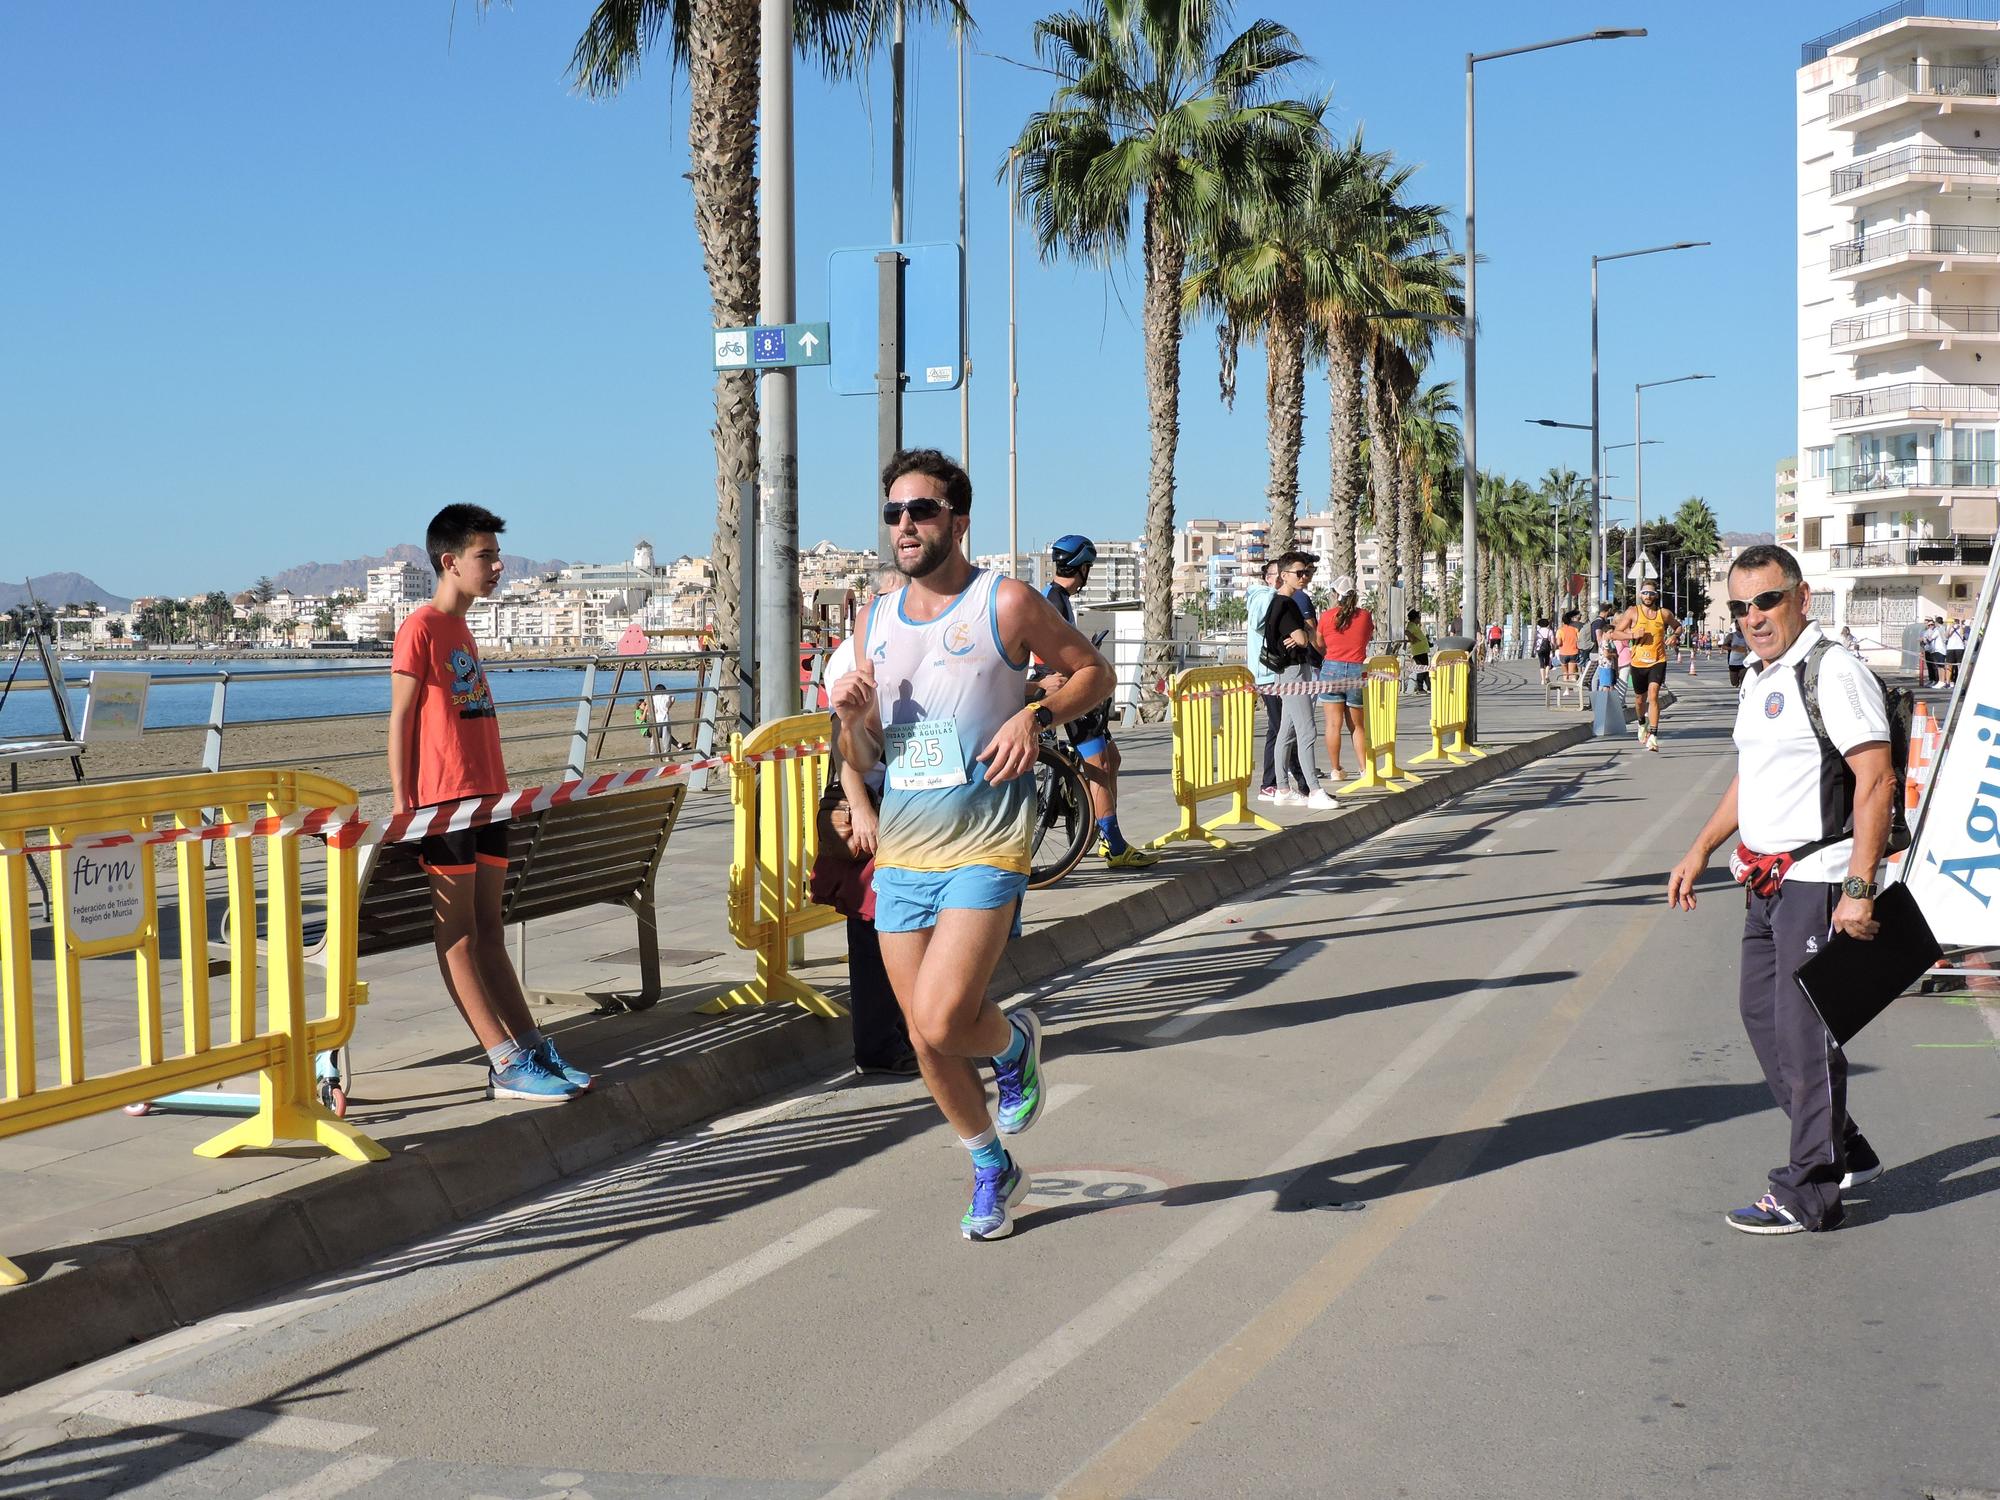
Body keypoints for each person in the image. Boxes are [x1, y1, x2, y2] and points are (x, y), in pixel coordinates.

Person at [830, 448, 1112, 1241]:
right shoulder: (873, 621)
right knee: (923, 1032)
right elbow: (866, 756)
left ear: (958, 519)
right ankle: (991, 1164)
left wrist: (1035, 716)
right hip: (907, 846)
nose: (905, 526)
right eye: (893, 513)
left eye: (920, 510)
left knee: (949, 1013)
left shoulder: (1006, 601)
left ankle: (1015, 1039)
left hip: (988, 837)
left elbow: (1092, 673)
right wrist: (854, 721)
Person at [1667, 544, 1891, 1235]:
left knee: (1804, 1037)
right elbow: (1752, 778)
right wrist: (1701, 845)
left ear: (1801, 597)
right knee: (1762, 1021)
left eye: (1766, 601)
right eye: (1740, 607)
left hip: (1817, 884)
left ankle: (1809, 1189)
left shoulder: (1833, 670)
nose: (1752, 617)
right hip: (1766, 884)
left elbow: (1875, 778)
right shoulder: (1763, 675)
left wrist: (1859, 887)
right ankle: (1839, 1143)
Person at [389, 504, 588, 1103]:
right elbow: (399, 721)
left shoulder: (464, 629)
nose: (498, 566)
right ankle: (503, 1061)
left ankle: (529, 1047)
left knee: (491, 933)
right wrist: (405, 808)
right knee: (458, 937)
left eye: (496, 555)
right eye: (486, 556)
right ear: (450, 562)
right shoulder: (419, 629)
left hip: (489, 800)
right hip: (444, 807)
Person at [820, 597, 919, 1078]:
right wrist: (861, 811)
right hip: (876, 803)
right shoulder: (856, 659)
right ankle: (881, 1045)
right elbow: (843, 738)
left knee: (897, 922)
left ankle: (903, 1036)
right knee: (873, 923)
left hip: (902, 797)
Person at [1033, 536, 1159, 870]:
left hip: (1067, 686)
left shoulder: (1056, 597)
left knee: (1111, 758)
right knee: (1099, 765)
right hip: (1068, 691)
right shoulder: (1054, 601)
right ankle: (1113, 844)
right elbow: (1048, 653)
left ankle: (1103, 831)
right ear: (1083, 568)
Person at [1262, 552, 1336, 810]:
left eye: (1308, 572)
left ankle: (1282, 787)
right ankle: (1314, 790)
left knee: (1287, 729)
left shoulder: (1277, 603)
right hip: (1294, 671)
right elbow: (1308, 639)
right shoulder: (1288, 604)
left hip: (1287, 671)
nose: (1305, 577)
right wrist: (1305, 631)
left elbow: (1303, 637)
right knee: (1307, 730)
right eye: (1299, 573)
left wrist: (1302, 633)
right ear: (1284, 575)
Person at [1249, 558, 1309, 800]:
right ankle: (1274, 783)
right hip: (1267, 674)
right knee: (1281, 728)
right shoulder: (1265, 597)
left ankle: (1290, 781)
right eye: (1276, 575)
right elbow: (1257, 623)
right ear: (1270, 577)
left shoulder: (1277, 599)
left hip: (1274, 673)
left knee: (1284, 727)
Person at [1608, 582, 1678, 752]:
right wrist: (1632, 634)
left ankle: (1653, 736)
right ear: (1640, 595)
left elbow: (1678, 626)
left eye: (1651, 593)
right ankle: (1641, 722)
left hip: (1658, 660)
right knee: (1640, 700)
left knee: (1653, 696)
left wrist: (1675, 636)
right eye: (1645, 593)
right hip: (1638, 662)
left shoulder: (1664, 613)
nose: (1648, 596)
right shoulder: (1633, 612)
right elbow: (1615, 633)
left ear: (1656, 595)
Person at [1316, 576, 1372, 780]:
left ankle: (1336, 769)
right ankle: (1364, 768)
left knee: (1333, 724)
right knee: (1357, 725)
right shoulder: (1365, 616)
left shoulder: (1326, 616)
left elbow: (1320, 643)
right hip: (1357, 670)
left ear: (1335, 595)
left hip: (1331, 669)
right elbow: (1367, 637)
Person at [1406, 609, 1431, 693]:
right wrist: (1413, 639)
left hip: (1422, 650)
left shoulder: (1414, 626)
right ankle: (1420, 688)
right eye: (1419, 618)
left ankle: (1429, 687)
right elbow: (1407, 632)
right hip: (1419, 651)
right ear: (1415, 618)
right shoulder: (1411, 625)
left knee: (1425, 669)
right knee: (1422, 669)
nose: (1419, 619)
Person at [1555, 611, 1581, 685]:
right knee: (1572, 672)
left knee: (1565, 673)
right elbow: (1578, 640)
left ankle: (1567, 689)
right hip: (1574, 652)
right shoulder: (1575, 630)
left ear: (1563, 622)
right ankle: (1573, 685)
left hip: (1563, 653)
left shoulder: (1560, 630)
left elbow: (1559, 643)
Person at [1724, 620, 1750, 688]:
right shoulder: (1731, 636)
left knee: (1744, 680)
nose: (1740, 626)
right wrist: (1732, 648)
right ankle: (1736, 682)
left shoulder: (1747, 635)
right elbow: (1724, 646)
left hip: (1744, 662)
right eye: (1738, 624)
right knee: (1734, 683)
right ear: (1736, 626)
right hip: (1733, 662)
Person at [1945, 616, 1969, 684]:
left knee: (1959, 665)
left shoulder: (1962, 627)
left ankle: (1960, 681)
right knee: (1949, 665)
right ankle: (1948, 682)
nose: (1955, 622)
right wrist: (1950, 627)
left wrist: (1960, 624)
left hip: (1959, 647)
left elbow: (1962, 634)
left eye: (1956, 620)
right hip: (1950, 647)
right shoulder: (1949, 626)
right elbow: (1946, 635)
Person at [1532, 616, 1555, 686]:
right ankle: (1547, 675)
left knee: (1541, 663)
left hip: (1539, 649)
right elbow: (1552, 641)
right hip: (1547, 648)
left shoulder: (1538, 632)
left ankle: (1542, 680)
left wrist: (1533, 649)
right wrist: (1554, 648)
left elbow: (1535, 641)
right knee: (1547, 662)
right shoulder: (1550, 631)